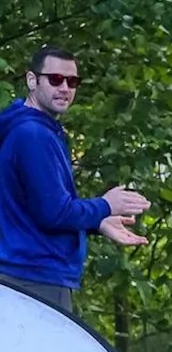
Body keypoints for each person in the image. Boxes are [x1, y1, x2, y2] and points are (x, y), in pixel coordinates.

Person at [0, 46, 149, 312]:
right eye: (55, 79)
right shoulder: (33, 134)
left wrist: (97, 221)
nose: (65, 88)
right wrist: (105, 206)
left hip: (23, 275)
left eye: (72, 81)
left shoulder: (30, 128)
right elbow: (54, 214)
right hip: (35, 279)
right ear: (32, 81)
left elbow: (36, 207)